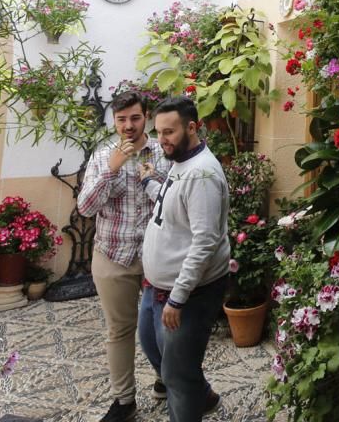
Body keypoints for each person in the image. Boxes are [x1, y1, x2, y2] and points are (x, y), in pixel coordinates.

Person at [77, 91, 171, 422]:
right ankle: (124, 400)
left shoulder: (164, 152)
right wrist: (111, 171)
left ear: (145, 117)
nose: (128, 126)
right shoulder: (103, 156)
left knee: (163, 326)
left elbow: (176, 201)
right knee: (119, 329)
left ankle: (165, 379)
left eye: (134, 118)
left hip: (157, 256)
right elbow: (86, 208)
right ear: (114, 121)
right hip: (113, 254)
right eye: (121, 119)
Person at [142, 96, 231, 422]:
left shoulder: (202, 174)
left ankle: (192, 401)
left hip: (187, 295)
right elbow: (172, 206)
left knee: (177, 377)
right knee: (153, 347)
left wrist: (178, 299)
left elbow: (205, 241)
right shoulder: (182, 162)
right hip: (157, 287)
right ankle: (202, 393)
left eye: (169, 132)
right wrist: (150, 182)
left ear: (192, 127)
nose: (161, 139)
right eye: (158, 132)